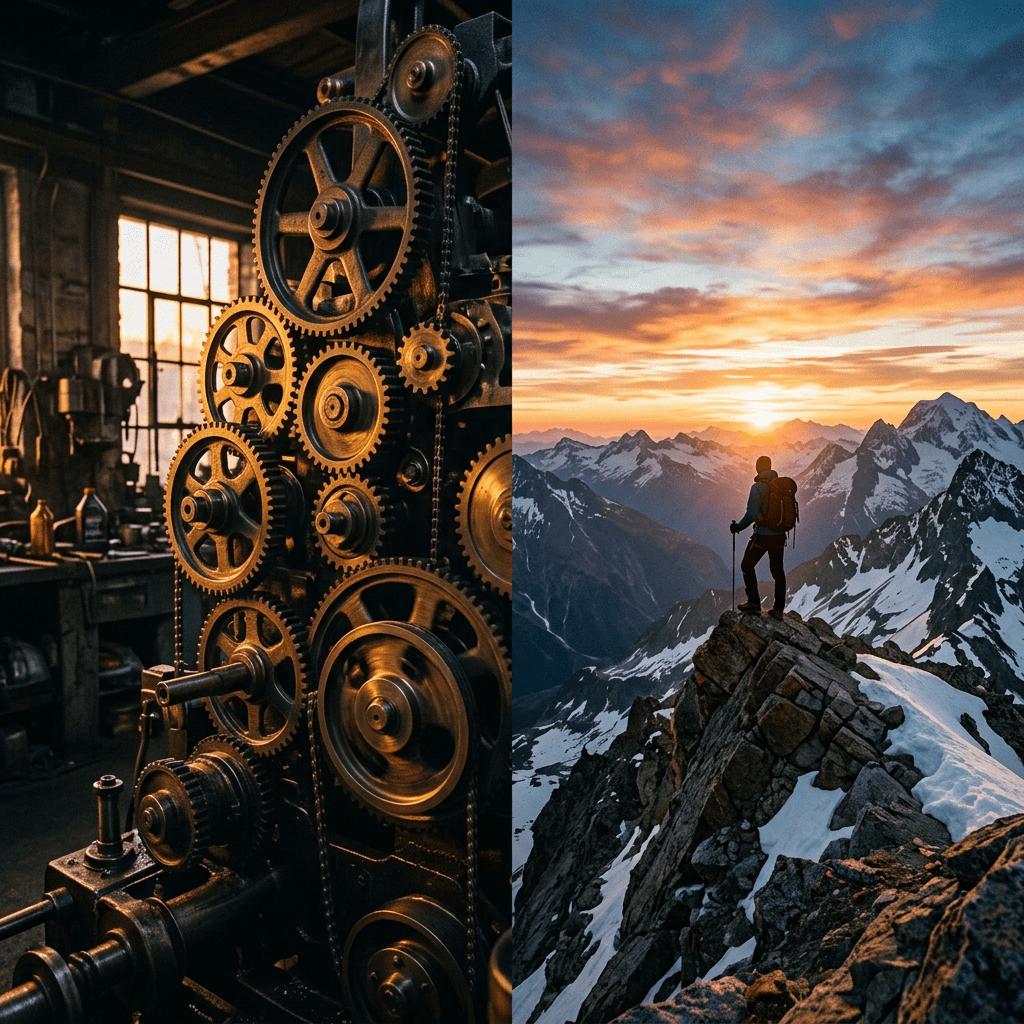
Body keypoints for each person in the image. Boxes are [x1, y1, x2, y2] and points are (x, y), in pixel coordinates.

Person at [730, 455, 786, 619]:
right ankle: (778, 609)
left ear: (758, 468)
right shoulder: (781, 486)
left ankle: (753, 602)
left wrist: (738, 527)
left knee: (747, 565)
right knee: (778, 571)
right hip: (780, 536)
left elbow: (752, 514)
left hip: (762, 536)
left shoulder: (758, 487)